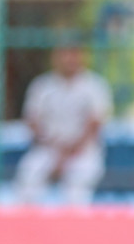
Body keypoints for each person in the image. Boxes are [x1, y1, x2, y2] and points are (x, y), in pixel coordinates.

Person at [15, 44, 113, 206]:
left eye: (74, 54)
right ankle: (27, 228)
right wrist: (54, 148)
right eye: (64, 54)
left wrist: (67, 154)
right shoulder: (42, 86)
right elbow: (32, 120)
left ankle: (73, 229)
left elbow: (95, 124)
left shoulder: (94, 86)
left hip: (82, 151)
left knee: (76, 188)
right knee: (29, 175)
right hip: (48, 148)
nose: (69, 59)